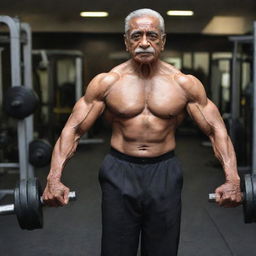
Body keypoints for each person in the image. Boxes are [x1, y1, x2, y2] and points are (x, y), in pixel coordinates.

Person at [42, 8, 242, 256]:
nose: (144, 42)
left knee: (163, 249)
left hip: (165, 172)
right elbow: (73, 128)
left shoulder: (184, 84)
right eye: (137, 35)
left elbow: (216, 130)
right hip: (119, 170)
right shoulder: (107, 82)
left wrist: (232, 179)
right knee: (116, 249)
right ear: (126, 41)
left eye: (152, 35)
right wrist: (54, 178)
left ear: (163, 40)